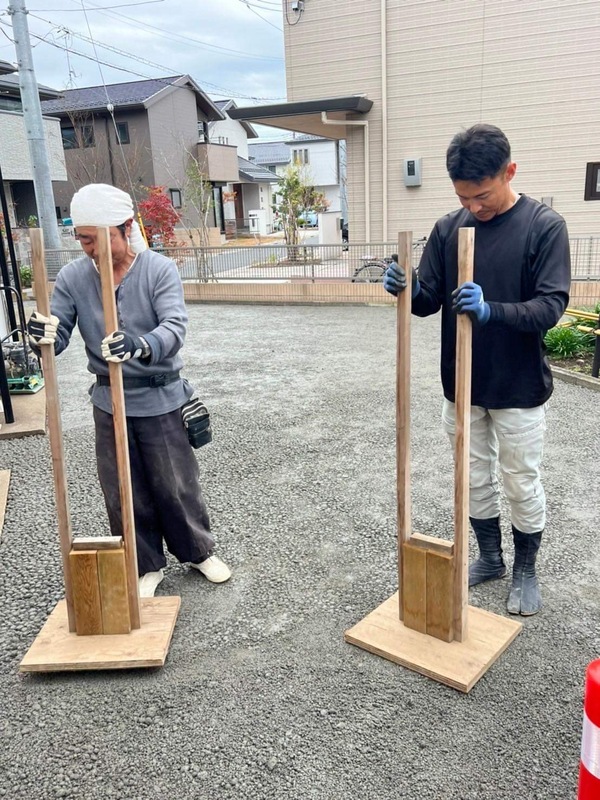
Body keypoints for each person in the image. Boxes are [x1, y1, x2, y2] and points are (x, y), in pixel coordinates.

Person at [383, 124, 571, 616]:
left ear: (510, 172)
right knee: (472, 477)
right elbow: (427, 303)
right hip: (461, 383)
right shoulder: (449, 229)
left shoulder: (543, 227)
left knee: (520, 480)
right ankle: (489, 557)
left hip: (518, 385)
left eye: (482, 195)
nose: (474, 207)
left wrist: (494, 311)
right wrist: (405, 286)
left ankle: (525, 568)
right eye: (463, 197)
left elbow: (551, 307)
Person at [27, 183, 231, 598]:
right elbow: (60, 330)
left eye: (93, 239)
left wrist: (139, 345)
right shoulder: (73, 276)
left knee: (175, 482)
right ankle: (144, 563)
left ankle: (197, 550)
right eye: (81, 239)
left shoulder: (158, 269)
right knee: (123, 486)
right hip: (109, 401)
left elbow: (174, 327)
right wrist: (43, 334)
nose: (85, 248)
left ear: (123, 229)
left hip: (159, 395)